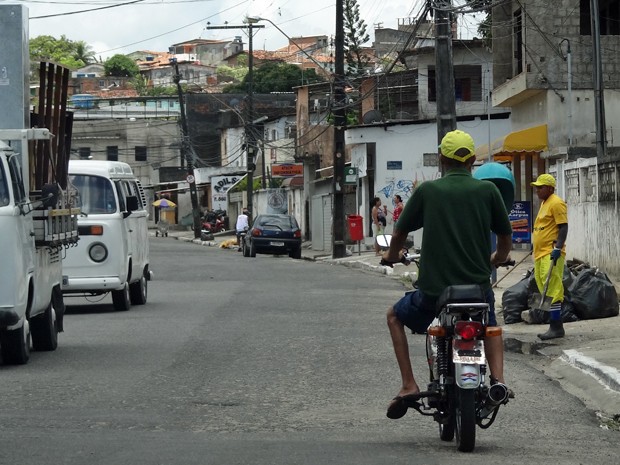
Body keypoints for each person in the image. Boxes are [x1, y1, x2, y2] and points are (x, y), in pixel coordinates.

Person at [382, 129, 513, 420]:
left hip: (434, 292)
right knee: (489, 326)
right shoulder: (488, 191)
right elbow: (506, 238)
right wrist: (497, 259)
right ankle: (499, 381)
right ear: (473, 161)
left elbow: (400, 232)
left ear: (442, 159)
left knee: (394, 316)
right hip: (478, 290)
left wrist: (391, 256)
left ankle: (408, 384)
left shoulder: (428, 191)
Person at [530, 173, 568, 340]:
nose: (537, 190)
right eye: (537, 187)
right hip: (540, 253)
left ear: (550, 188)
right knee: (542, 285)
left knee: (552, 287)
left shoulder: (556, 203)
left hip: (551, 253)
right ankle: (553, 324)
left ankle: (556, 326)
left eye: (541, 187)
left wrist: (558, 247)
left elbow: (563, 227)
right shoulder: (544, 203)